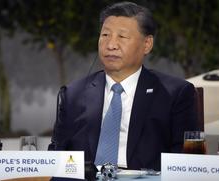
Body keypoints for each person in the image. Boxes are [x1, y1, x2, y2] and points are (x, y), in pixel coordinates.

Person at [49, 1, 198, 171]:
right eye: (105, 35)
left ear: (147, 44)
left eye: (122, 37)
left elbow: (187, 162)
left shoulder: (174, 93)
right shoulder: (73, 94)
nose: (111, 45)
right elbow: (56, 156)